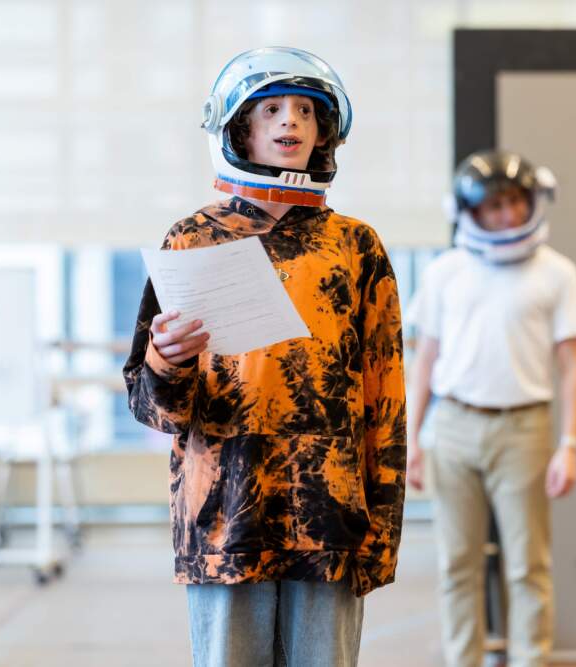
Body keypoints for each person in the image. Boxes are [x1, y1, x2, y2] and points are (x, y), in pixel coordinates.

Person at [122, 46, 406, 667]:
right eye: (272, 109)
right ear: (240, 130)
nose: (290, 121)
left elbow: (385, 398)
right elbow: (152, 409)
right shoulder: (192, 239)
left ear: (324, 131)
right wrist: (167, 361)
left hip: (329, 516)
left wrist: (383, 528)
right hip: (225, 517)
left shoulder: (356, 245)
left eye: (305, 109)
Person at [406, 150, 576, 667]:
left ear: (533, 201)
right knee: (456, 564)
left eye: (515, 202)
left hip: (524, 427)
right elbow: (426, 360)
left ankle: (531, 660)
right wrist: (411, 441)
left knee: (528, 566)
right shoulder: (445, 272)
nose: (508, 215)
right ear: (469, 212)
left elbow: (573, 364)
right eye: (493, 206)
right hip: (453, 425)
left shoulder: (558, 273)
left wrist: (570, 445)